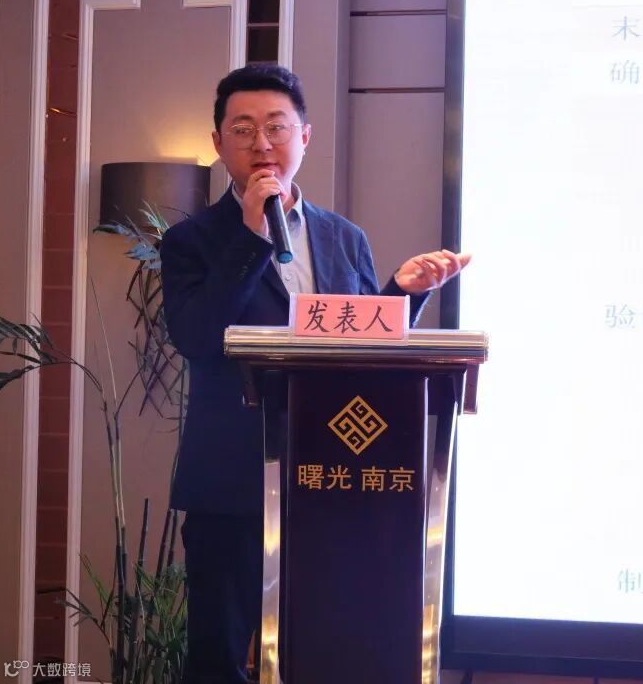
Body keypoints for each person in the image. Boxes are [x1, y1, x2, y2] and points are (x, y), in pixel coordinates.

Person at [160, 64, 470, 683]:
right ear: (218, 142)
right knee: (219, 659)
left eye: (277, 127)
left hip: (333, 482)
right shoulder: (191, 240)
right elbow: (196, 337)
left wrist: (401, 295)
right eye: (242, 129)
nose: (261, 143)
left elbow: (355, 350)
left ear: (304, 137)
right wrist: (252, 236)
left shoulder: (343, 238)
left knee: (327, 651)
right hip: (231, 485)